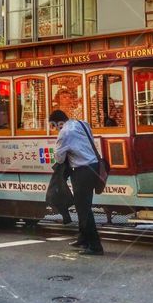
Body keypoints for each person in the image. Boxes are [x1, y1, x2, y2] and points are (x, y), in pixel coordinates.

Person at [50, 109, 104, 256]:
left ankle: (95, 246)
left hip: (81, 171)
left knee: (84, 209)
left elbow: (59, 158)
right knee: (82, 207)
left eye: (54, 126)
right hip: (94, 167)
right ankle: (83, 238)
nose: (55, 129)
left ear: (58, 123)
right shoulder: (82, 123)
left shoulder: (64, 133)